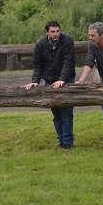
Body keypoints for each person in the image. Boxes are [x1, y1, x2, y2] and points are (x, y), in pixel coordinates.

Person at [24, 21, 76, 150]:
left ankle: (68, 142)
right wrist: (35, 80)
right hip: (50, 80)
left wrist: (62, 79)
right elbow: (37, 64)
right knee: (56, 113)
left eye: (58, 31)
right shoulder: (41, 44)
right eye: (52, 31)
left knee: (67, 112)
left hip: (67, 80)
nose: (56, 34)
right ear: (46, 32)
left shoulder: (67, 40)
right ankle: (61, 141)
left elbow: (68, 62)